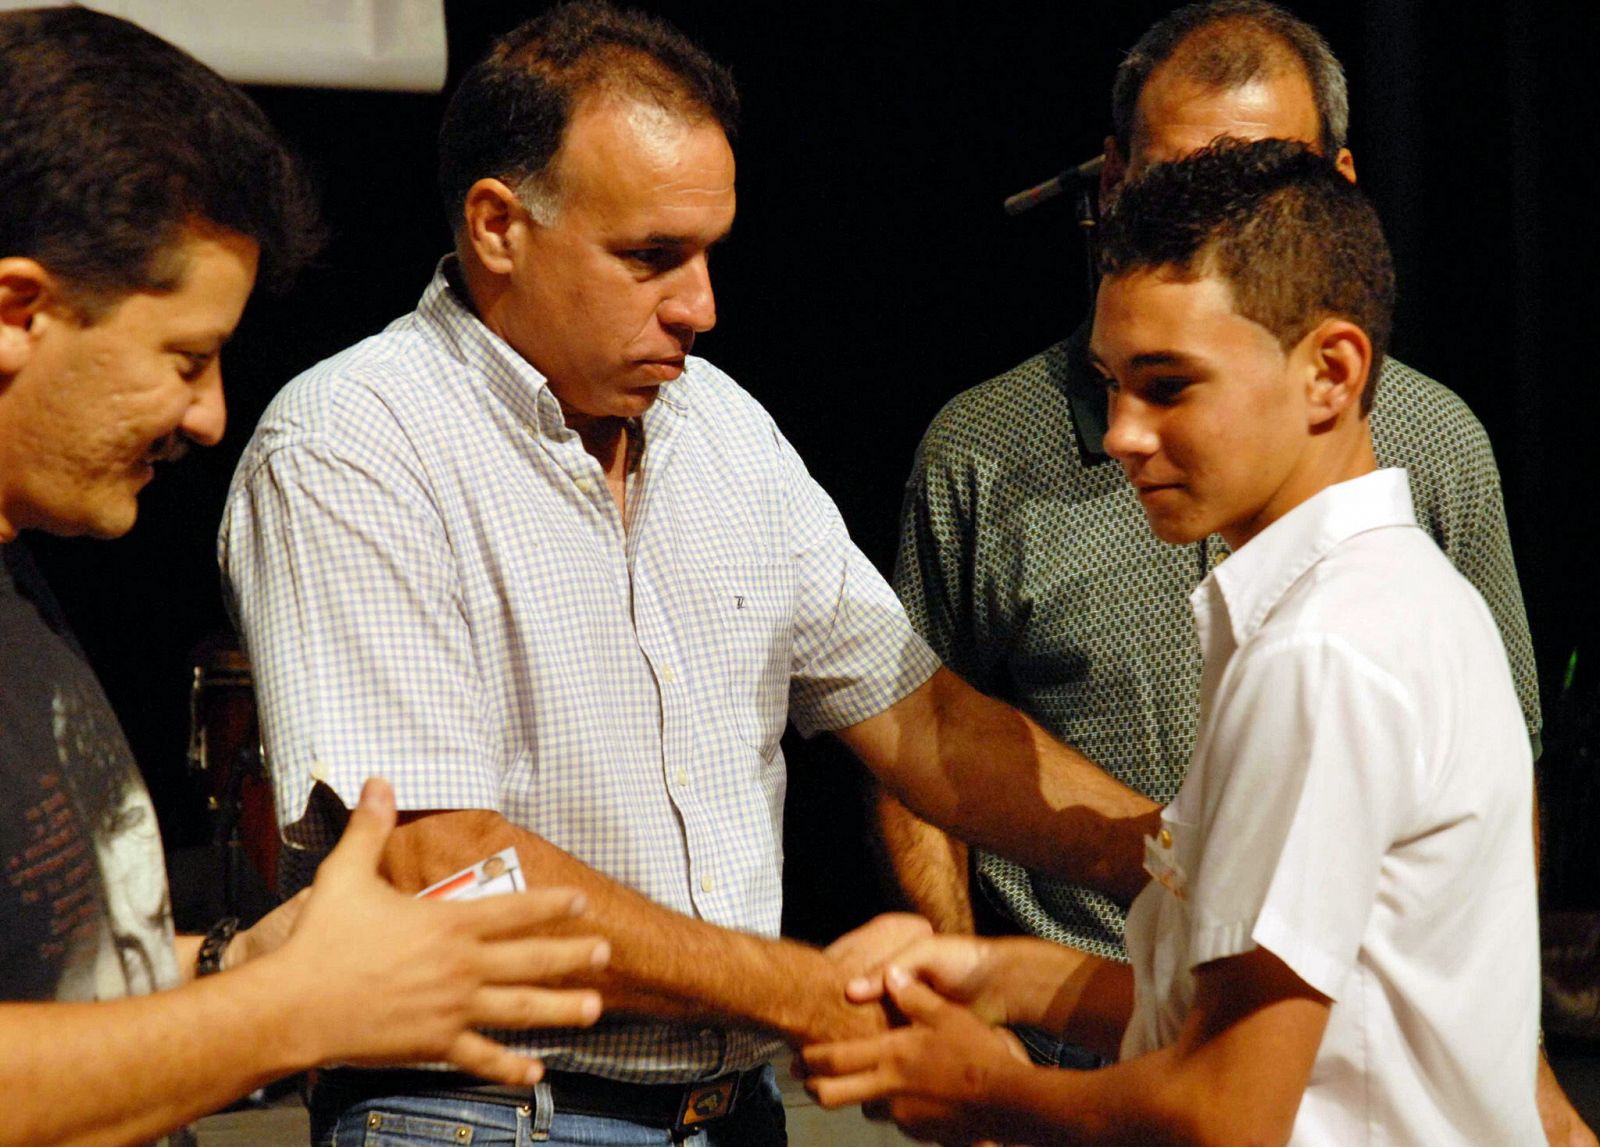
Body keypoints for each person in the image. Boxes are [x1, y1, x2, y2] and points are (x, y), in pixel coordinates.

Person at [219, 3, 1164, 1143]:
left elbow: (926, 721)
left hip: (727, 1112)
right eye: (651, 257)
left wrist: (1175, 864)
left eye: (709, 251)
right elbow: (443, 862)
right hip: (487, 1113)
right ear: (497, 226)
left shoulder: (722, 428)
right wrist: (806, 992)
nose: (701, 306)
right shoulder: (353, 443)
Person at [879, 4, 1592, 1140]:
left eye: (1167, 386)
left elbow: (1229, 1110)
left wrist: (982, 1087)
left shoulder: (1321, 654)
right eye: (1112, 383)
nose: (1118, 433)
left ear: (1330, 371)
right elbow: (1352, 1018)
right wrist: (996, 978)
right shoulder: (1397, 603)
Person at [0, 10, 611, 1145]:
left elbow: (54, 985)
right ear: (17, 311)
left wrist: (242, 962)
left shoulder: (18, 584)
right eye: (184, 357)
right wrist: (282, 1011)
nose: (209, 413)